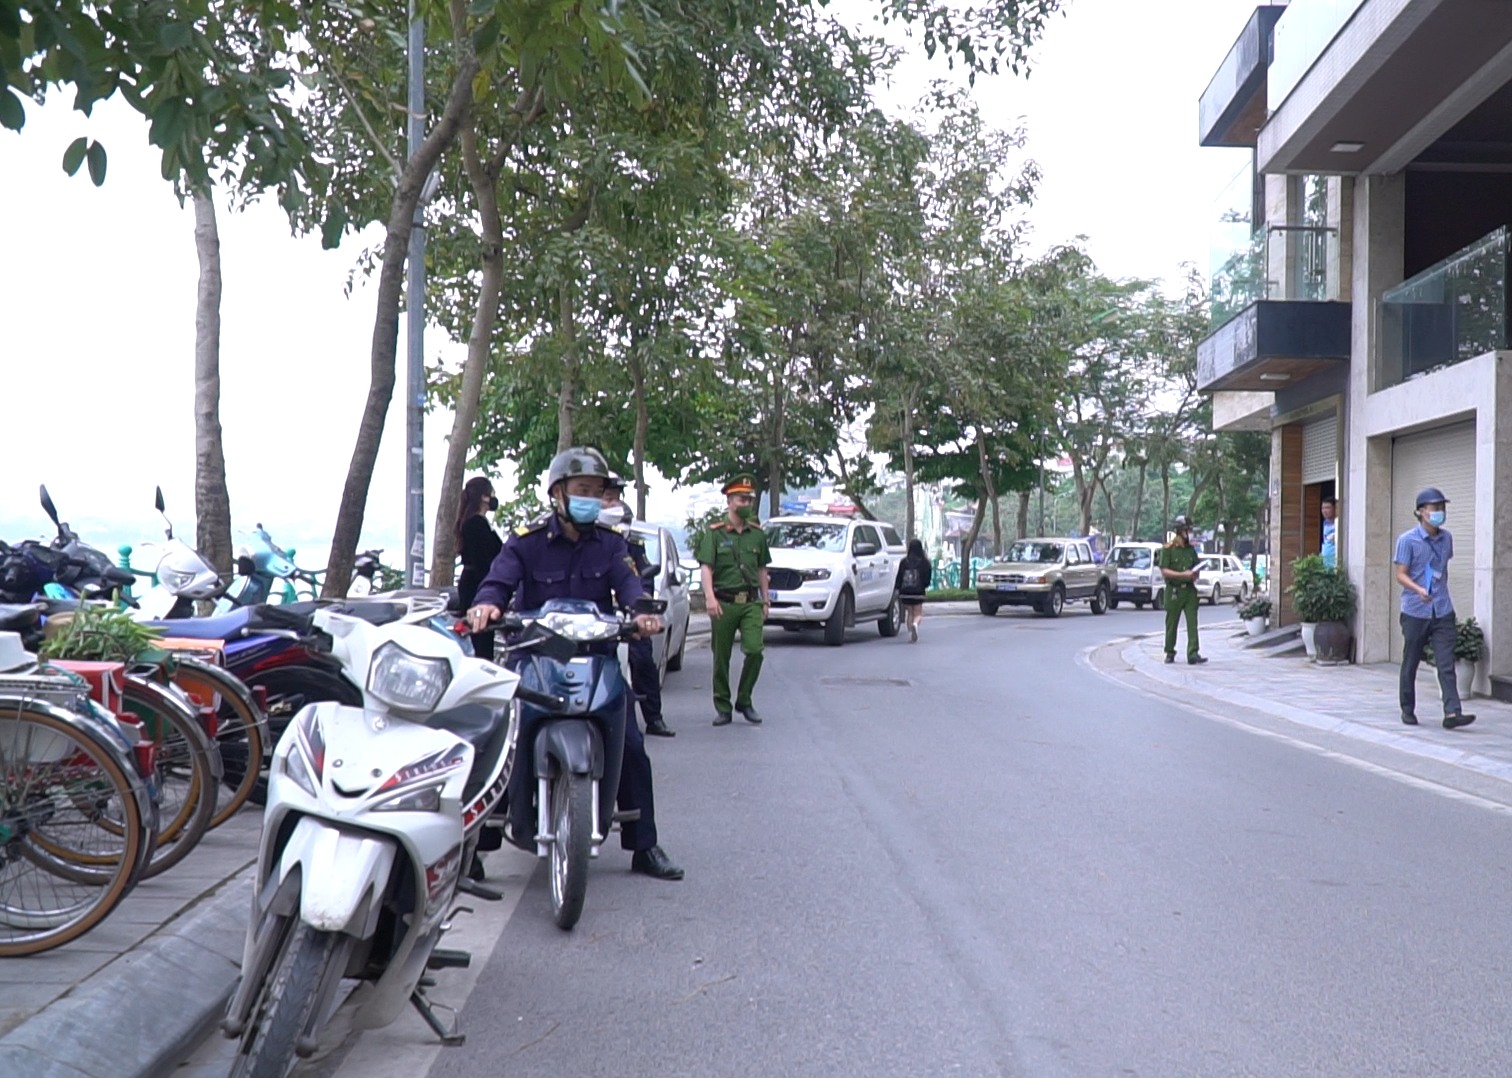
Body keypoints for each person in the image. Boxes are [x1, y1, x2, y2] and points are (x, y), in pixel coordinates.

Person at [465, 446, 683, 881]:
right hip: (535, 658)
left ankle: (644, 845)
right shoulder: (525, 542)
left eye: (596, 492)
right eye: (582, 490)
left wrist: (642, 612)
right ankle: (478, 845)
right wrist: (487, 606)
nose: (591, 499)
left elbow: (629, 584)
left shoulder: (612, 544)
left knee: (632, 743)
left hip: (595, 659)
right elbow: (497, 582)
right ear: (558, 493)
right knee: (497, 740)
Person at [1394, 486, 1475, 730]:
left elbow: (1442, 568)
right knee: (1411, 661)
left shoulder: (1446, 538)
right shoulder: (1407, 540)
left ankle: (1452, 712)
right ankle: (1407, 709)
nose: (1440, 511)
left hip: (1442, 609)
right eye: (1435, 507)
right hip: (1415, 610)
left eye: (1442, 507)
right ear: (1421, 511)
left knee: (1446, 663)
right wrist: (1418, 589)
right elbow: (1400, 574)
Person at [600, 473, 674, 737]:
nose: (613, 505)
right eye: (607, 499)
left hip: (628, 615)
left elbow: (642, 575)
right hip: (595, 616)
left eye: (616, 499)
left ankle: (654, 718)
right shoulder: (582, 540)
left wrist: (642, 605)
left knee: (642, 659)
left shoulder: (630, 541)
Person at [696, 475, 772, 726]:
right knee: (721, 657)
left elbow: (762, 570)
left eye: (749, 499)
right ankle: (723, 705)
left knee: (755, 651)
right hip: (724, 602)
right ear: (729, 501)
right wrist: (709, 598)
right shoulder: (715, 533)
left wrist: (766, 600)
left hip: (750, 602)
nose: (746, 504)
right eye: (742, 499)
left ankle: (744, 699)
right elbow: (706, 568)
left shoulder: (757, 534)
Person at [454, 476, 503, 660]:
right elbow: (483, 560)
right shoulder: (476, 524)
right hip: (477, 586)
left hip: (474, 583)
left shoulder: (474, 523)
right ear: (484, 497)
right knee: (481, 640)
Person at [1159, 515, 1207, 665]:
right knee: (1172, 623)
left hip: (1189, 591)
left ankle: (1193, 653)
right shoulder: (1168, 549)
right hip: (1174, 591)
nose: (1190, 533)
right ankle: (1169, 652)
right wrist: (1182, 575)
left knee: (1192, 623)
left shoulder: (1190, 549)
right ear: (1180, 531)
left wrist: (1195, 574)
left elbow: (1196, 566)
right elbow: (1164, 571)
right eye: (1188, 530)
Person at [896, 539, 932, 643]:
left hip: (905, 592)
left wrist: (898, 589)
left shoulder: (904, 562)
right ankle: (915, 624)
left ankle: (910, 634)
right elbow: (927, 579)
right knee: (918, 613)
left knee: (910, 613)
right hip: (918, 592)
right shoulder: (925, 562)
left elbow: (899, 577)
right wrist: (924, 586)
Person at [1320, 498, 1338, 569]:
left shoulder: (1339, 524)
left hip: (1335, 565)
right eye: (1323, 508)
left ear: (1335, 508)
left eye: (1327, 508)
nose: (1324, 511)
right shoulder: (1325, 523)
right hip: (1325, 564)